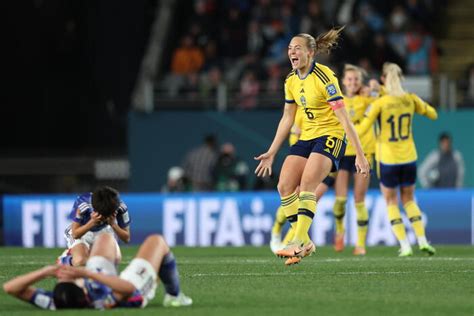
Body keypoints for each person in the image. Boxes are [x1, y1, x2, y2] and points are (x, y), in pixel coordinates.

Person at [255, 27, 370, 266]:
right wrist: (272, 151)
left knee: (307, 184)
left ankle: (296, 242)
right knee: (285, 185)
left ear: (311, 53)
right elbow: (288, 117)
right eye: (289, 48)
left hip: (331, 135)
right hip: (307, 136)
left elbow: (343, 117)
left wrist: (359, 154)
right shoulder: (291, 81)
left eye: (297, 48)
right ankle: (304, 241)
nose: (291, 52)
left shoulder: (325, 77)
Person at [356, 62, 437, 257]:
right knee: (409, 199)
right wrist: (421, 106)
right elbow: (433, 114)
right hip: (409, 157)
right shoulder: (410, 99)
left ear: (384, 79)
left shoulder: (380, 103)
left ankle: (405, 245)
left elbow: (362, 128)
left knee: (391, 201)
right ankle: (423, 241)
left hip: (388, 159)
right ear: (401, 79)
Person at [3, 233, 192, 309]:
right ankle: (174, 296)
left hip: (100, 280)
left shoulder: (55, 302)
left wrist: (46, 271)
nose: (62, 276)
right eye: (66, 278)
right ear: (84, 289)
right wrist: (86, 273)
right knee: (156, 242)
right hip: (132, 291)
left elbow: (10, 287)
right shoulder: (100, 298)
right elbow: (127, 288)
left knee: (103, 238)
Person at [270, 106, 335, 253]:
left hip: (325, 153)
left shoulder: (328, 104)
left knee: (309, 196)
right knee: (293, 195)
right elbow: (295, 139)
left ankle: (293, 242)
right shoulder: (299, 109)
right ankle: (278, 229)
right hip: (306, 157)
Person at [332, 64, 376, 256]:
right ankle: (340, 230)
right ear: (343, 81)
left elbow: (382, 99)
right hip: (342, 153)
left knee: (359, 200)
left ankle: (360, 244)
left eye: (356, 79)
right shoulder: (336, 101)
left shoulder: (366, 99)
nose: (352, 83)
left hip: (364, 153)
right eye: (349, 79)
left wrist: (375, 88)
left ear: (360, 82)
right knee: (340, 200)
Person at [57, 186, 131, 266]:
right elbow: (75, 234)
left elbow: (126, 238)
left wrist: (113, 224)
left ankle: (90, 252)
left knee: (114, 260)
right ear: (95, 209)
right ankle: (65, 259)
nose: (104, 218)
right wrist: (92, 222)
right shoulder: (83, 203)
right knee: (80, 262)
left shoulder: (121, 208)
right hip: (82, 231)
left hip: (104, 231)